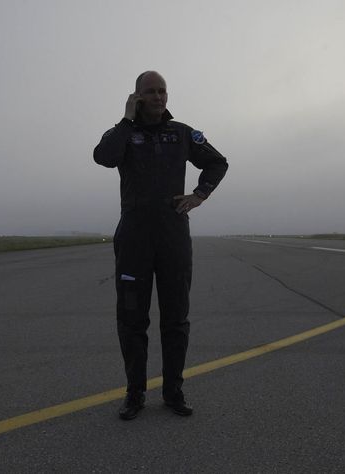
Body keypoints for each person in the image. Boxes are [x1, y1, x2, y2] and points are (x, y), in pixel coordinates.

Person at [93, 71, 228, 420]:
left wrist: (200, 194)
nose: (158, 97)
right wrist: (125, 118)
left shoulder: (182, 133)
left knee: (175, 319)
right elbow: (103, 157)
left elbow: (217, 161)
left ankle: (173, 391)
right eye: (150, 92)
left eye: (162, 91)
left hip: (173, 239)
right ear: (137, 96)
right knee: (132, 320)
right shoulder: (123, 134)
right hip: (134, 239)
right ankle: (134, 394)